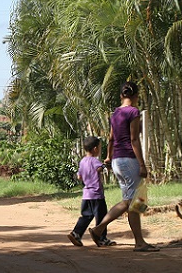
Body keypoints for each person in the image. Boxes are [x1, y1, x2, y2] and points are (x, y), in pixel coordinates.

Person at [88, 81, 160, 252]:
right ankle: (100, 230)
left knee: (134, 201)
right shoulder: (133, 112)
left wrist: (108, 157)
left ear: (121, 95)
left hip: (118, 161)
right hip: (129, 160)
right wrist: (142, 164)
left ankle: (139, 241)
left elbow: (111, 138)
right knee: (130, 201)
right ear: (136, 96)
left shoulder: (116, 113)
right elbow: (134, 139)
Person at [68, 136, 116, 247]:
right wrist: (107, 165)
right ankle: (101, 238)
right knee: (102, 217)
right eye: (99, 147)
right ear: (95, 149)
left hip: (86, 195)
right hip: (97, 195)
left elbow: (80, 176)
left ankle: (76, 233)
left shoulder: (82, 161)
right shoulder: (95, 161)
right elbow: (101, 168)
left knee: (86, 216)